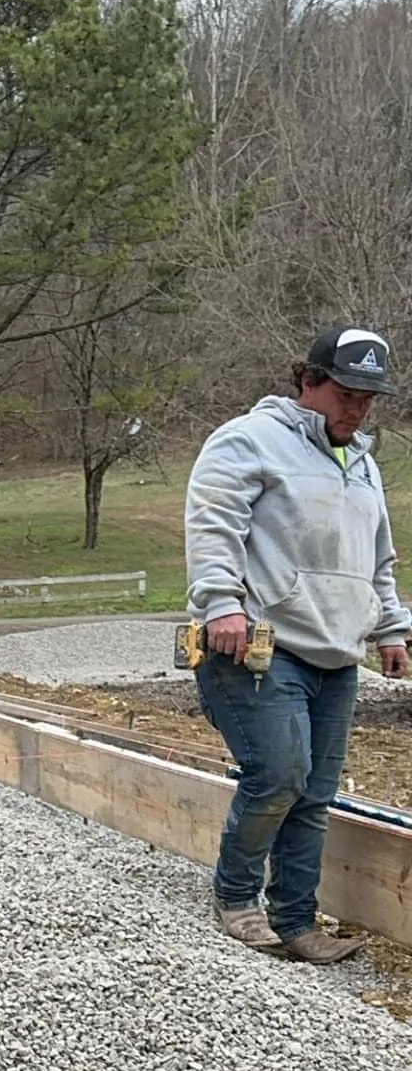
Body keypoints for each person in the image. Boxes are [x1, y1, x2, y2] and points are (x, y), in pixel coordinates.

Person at [185, 326, 411, 964]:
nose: (358, 407)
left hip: (337, 652)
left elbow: (378, 557)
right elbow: (213, 524)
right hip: (258, 643)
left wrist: (390, 626)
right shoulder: (247, 441)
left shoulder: (362, 463)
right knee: (278, 774)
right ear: (308, 380)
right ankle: (235, 897)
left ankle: (295, 919)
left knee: (316, 792)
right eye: (346, 392)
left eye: (370, 397)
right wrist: (221, 603)